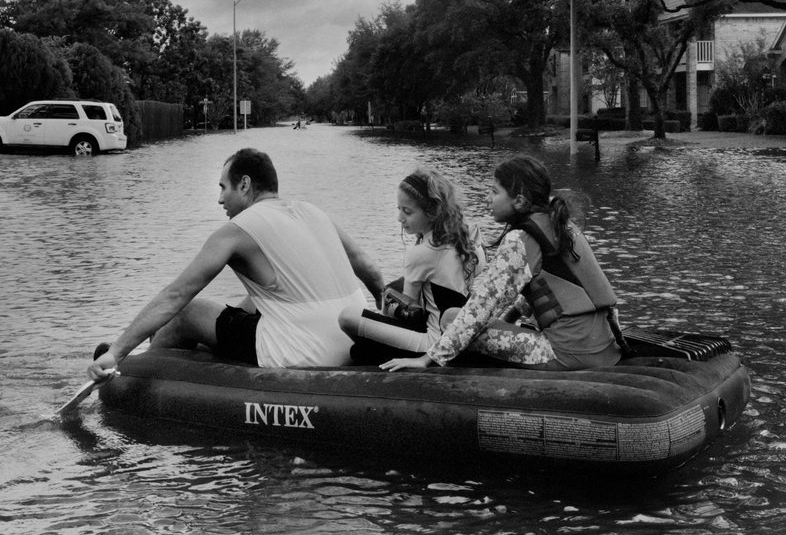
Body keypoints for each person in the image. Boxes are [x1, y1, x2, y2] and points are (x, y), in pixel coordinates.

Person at [88, 148, 384, 380]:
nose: (220, 200)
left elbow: (177, 295)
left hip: (306, 353)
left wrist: (116, 352)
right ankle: (168, 345)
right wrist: (385, 317)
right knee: (254, 302)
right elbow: (371, 271)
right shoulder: (313, 212)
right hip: (353, 342)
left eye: (223, 188)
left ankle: (132, 370)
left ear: (244, 184)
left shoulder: (238, 229)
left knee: (187, 314)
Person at [381, 154, 623, 372]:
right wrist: (506, 321)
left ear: (519, 201)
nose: (488, 198)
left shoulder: (520, 239)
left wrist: (429, 358)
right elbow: (546, 293)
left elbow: (481, 306)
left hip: (566, 353)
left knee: (450, 318)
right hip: (604, 346)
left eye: (494, 192)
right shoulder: (560, 224)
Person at [338, 169, 484, 361]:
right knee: (394, 289)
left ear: (432, 212)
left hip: (432, 343)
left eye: (407, 211)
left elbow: (410, 313)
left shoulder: (422, 252)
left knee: (348, 317)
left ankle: (371, 352)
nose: (400, 218)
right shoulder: (467, 240)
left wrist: (386, 304)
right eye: (398, 208)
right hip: (459, 336)